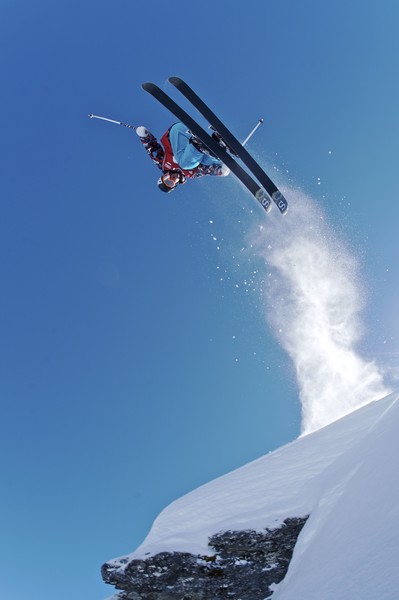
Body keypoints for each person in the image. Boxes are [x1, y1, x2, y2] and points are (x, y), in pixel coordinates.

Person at [135, 122, 230, 193]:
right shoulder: (192, 174)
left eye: (167, 178)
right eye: (170, 183)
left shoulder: (163, 163)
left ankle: (197, 143)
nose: (171, 178)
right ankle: (218, 141)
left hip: (179, 133)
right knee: (206, 161)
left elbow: (152, 147)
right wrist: (220, 171)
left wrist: (144, 136)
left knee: (185, 164)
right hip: (193, 140)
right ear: (175, 184)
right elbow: (208, 170)